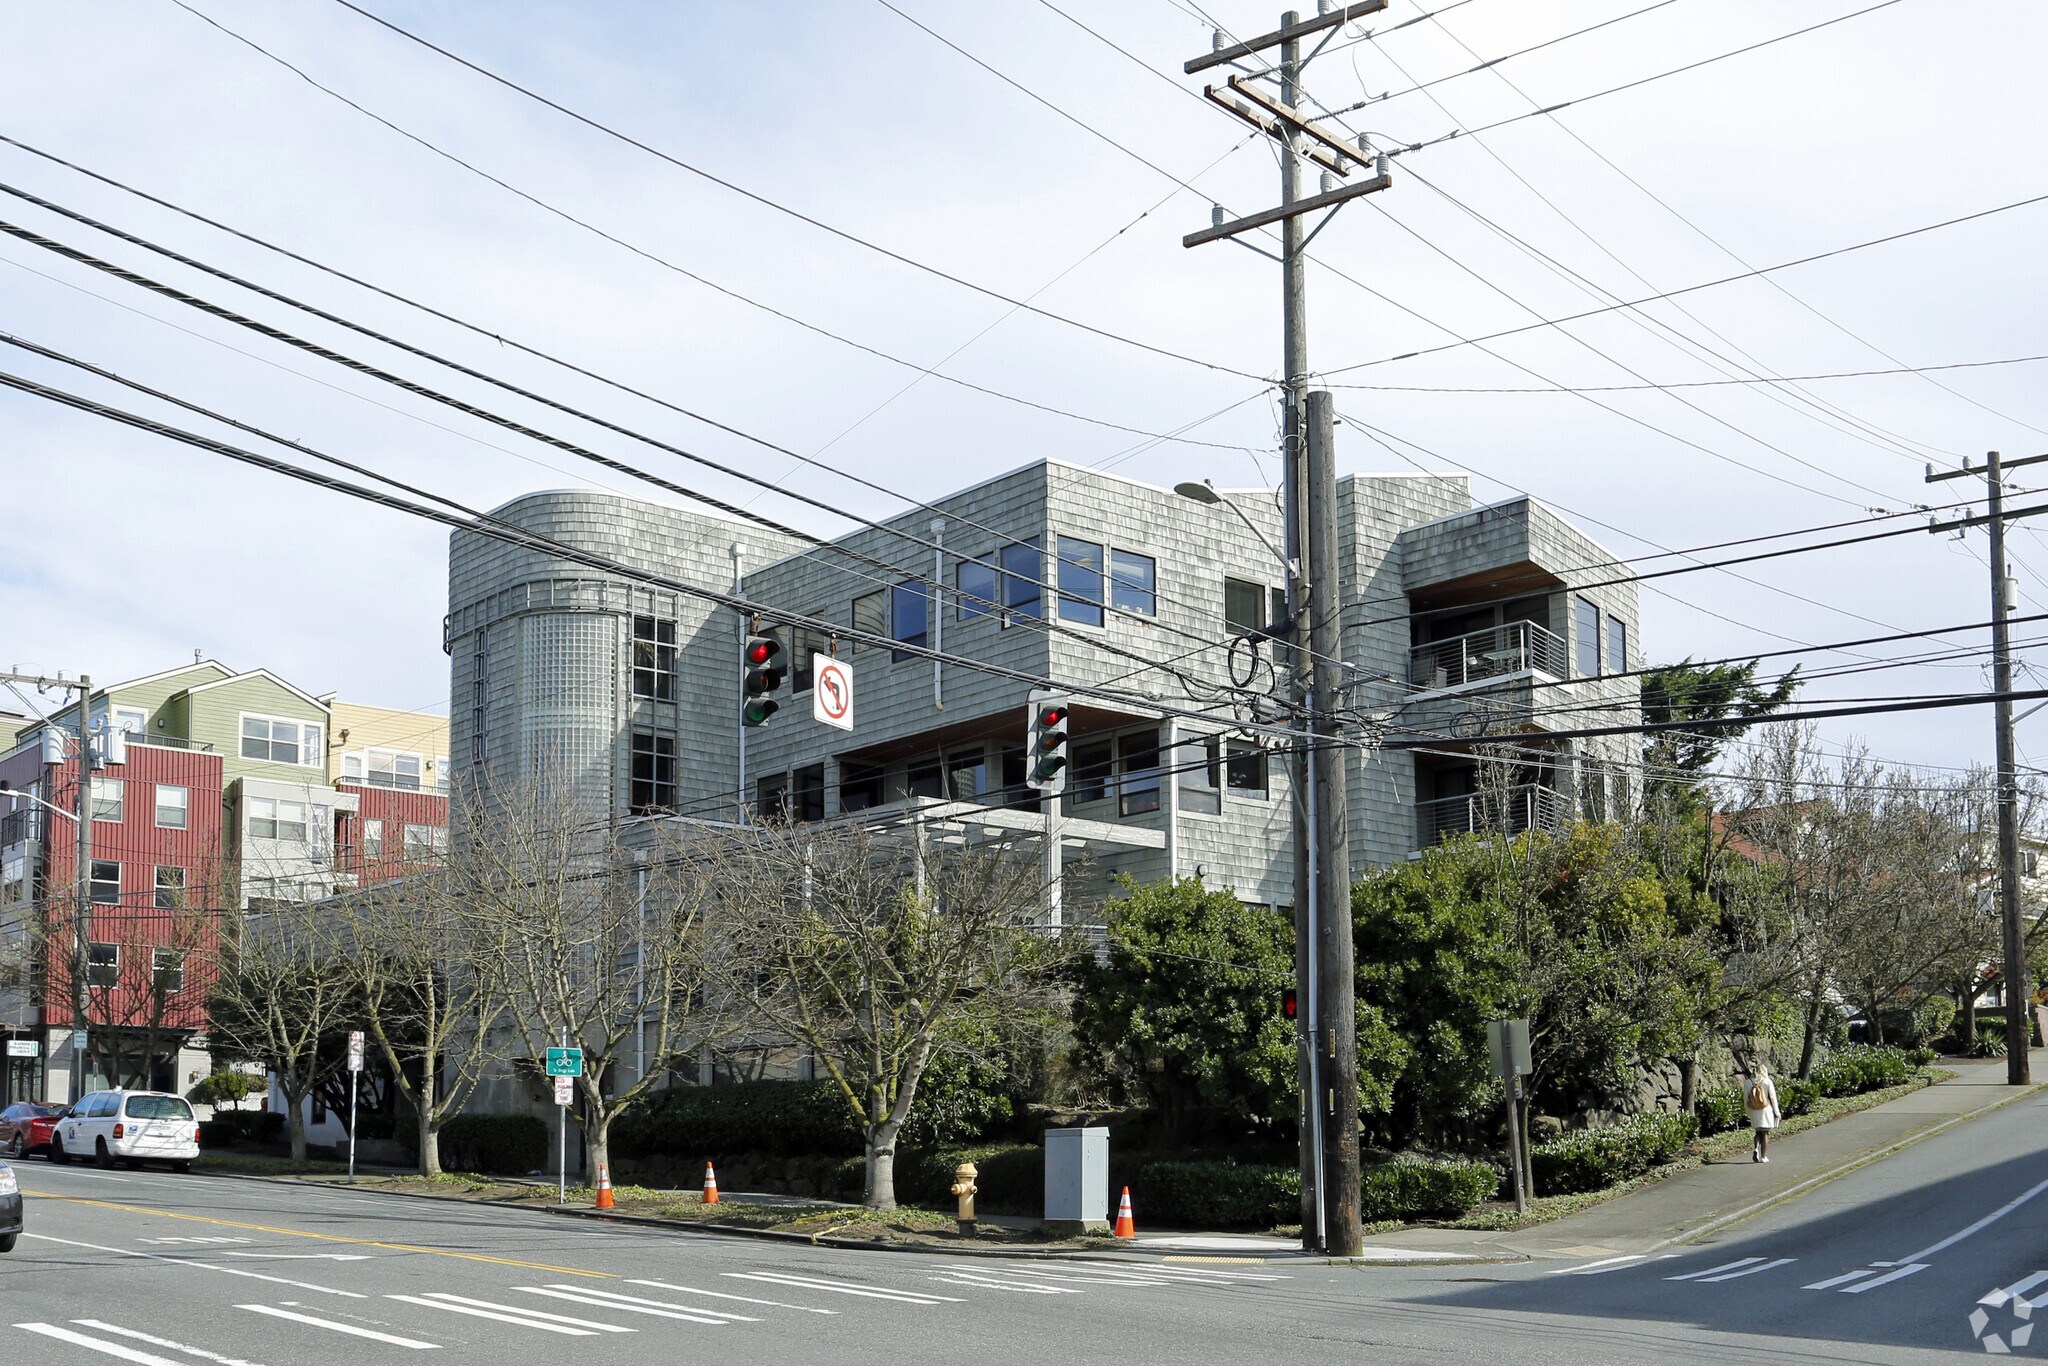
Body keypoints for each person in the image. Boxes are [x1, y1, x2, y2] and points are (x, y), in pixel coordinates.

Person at [1744, 1061, 1781, 1162]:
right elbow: (1773, 1098)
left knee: (1758, 1132)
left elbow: (1745, 1099)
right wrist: (1777, 1112)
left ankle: (1756, 1148)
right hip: (1766, 1110)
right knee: (1765, 1134)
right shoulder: (1767, 1082)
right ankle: (1763, 1157)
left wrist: (1748, 1113)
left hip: (1753, 1111)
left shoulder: (1748, 1083)